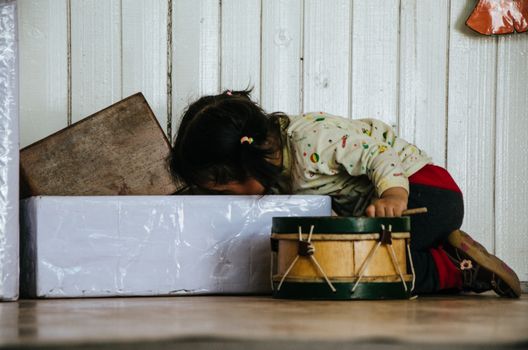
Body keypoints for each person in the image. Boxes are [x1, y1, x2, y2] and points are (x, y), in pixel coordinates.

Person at [169, 88, 521, 298]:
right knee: (342, 258)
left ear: (249, 164)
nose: (228, 198)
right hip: (398, 209)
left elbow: (377, 154)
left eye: (225, 189)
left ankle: (457, 268)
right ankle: (447, 248)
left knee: (366, 274)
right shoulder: (274, 169)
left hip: (426, 194)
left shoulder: (310, 138)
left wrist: (394, 196)